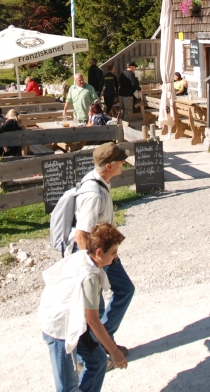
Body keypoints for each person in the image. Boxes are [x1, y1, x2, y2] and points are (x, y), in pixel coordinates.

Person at [40, 223, 128, 392]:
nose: (115, 259)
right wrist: (115, 352)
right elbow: (94, 321)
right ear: (99, 252)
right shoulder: (90, 277)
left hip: (75, 320)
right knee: (68, 386)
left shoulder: (83, 255)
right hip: (59, 328)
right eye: (113, 253)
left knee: (98, 361)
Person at [72, 143, 134, 361]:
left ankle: (100, 343)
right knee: (98, 304)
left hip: (101, 252)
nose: (124, 163)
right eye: (120, 161)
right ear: (109, 166)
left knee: (119, 292)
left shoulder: (100, 181)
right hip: (94, 255)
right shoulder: (93, 194)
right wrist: (91, 266)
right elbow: (81, 234)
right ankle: (95, 350)